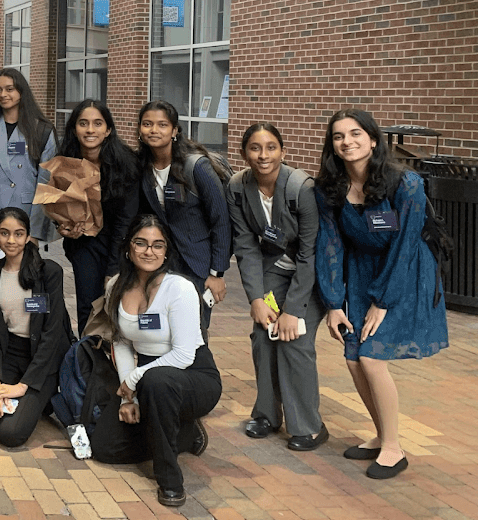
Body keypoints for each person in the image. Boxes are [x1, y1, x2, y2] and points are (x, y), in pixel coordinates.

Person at [315, 109, 448, 479]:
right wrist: (334, 303)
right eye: (339, 136)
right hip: (361, 273)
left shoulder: (405, 183)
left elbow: (405, 245)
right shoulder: (329, 188)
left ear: (373, 139)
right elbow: (330, 245)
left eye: (356, 133)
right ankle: (381, 434)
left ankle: (393, 448)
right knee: (354, 358)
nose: (347, 142)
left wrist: (382, 301)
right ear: (332, 145)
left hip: (404, 273)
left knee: (372, 358)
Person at [91, 214, 220, 508]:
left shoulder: (179, 288)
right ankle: (183, 434)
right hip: (148, 377)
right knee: (105, 447)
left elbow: (184, 354)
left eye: (158, 245)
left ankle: (170, 480)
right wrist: (129, 398)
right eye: (141, 243)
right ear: (128, 247)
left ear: (166, 251)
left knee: (157, 382)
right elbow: (121, 342)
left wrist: (134, 380)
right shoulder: (115, 286)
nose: (149, 251)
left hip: (192, 375)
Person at [228, 123, 327, 451]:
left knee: (293, 339)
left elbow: (310, 253)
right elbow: (245, 246)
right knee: (263, 335)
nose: (263, 155)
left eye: (271, 147)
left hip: (310, 276)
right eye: (255, 148)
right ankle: (267, 414)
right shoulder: (238, 187)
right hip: (274, 271)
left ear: (283, 152)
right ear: (244, 153)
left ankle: (309, 426)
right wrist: (256, 298)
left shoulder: (302, 188)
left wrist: (293, 310)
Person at [0, 207, 73, 448]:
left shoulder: (49, 272)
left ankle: (42, 398)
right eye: (4, 233)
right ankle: (29, 401)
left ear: (28, 236)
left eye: (18, 234)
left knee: (11, 434)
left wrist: (22, 387)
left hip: (42, 361)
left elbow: (52, 334)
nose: (11, 240)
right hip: (10, 355)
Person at [135, 101, 231, 329]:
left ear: (175, 130)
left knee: (193, 332)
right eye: (147, 124)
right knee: (158, 330)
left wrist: (217, 274)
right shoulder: (140, 166)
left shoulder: (197, 166)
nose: (154, 130)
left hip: (196, 266)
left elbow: (221, 221)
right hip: (159, 263)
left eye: (162, 125)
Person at [51, 99, 139, 334]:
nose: (90, 130)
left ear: (108, 129)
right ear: (74, 129)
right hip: (84, 245)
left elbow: (125, 220)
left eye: (97, 123)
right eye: (83, 123)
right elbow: (59, 206)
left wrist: (113, 268)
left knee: (118, 306)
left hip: (120, 242)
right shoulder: (65, 161)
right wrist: (62, 225)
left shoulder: (126, 163)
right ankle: (88, 354)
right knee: (88, 307)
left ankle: (118, 354)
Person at [0, 69, 56, 243]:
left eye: (9, 89)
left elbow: (45, 184)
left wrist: (35, 232)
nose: (3, 95)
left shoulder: (42, 130)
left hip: (25, 215)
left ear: (21, 91)